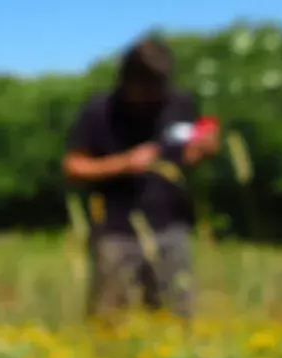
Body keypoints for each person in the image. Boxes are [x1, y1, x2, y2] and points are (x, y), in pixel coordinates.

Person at [63, 35, 220, 319]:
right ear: (127, 81)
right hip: (115, 233)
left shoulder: (179, 103)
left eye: (161, 85)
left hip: (172, 228)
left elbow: (200, 134)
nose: (155, 94)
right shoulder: (99, 110)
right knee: (109, 322)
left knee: (176, 320)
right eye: (147, 87)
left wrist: (206, 144)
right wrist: (124, 163)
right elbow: (73, 166)